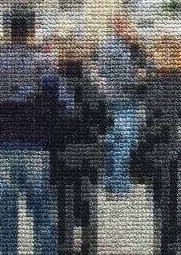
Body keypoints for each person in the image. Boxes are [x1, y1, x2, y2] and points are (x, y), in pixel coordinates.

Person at [0, 6, 65, 255]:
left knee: (4, 215)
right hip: (36, 145)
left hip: (0, 145)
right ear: (32, 30)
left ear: (6, 30)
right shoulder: (45, 63)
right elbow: (61, 103)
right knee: (42, 214)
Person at [50, 29, 107, 254]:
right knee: (88, 203)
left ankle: (63, 247)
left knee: (63, 205)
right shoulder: (93, 88)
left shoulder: (53, 88)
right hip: (89, 154)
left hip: (62, 153)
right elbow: (105, 121)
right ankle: (88, 247)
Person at [131, 37, 181, 254]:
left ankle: (169, 250)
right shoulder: (163, 80)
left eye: (157, 52)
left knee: (170, 211)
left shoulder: (174, 82)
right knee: (164, 210)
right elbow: (135, 88)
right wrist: (134, 45)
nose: (152, 56)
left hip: (165, 154)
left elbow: (163, 122)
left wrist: (141, 146)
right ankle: (166, 249)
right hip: (161, 153)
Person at [93, 15, 147, 196]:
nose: (134, 29)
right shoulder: (119, 48)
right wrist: (141, 77)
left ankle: (109, 179)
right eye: (130, 25)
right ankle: (118, 184)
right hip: (125, 98)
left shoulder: (109, 46)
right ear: (121, 27)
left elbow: (101, 72)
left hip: (110, 98)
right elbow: (128, 77)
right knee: (125, 141)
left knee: (112, 140)